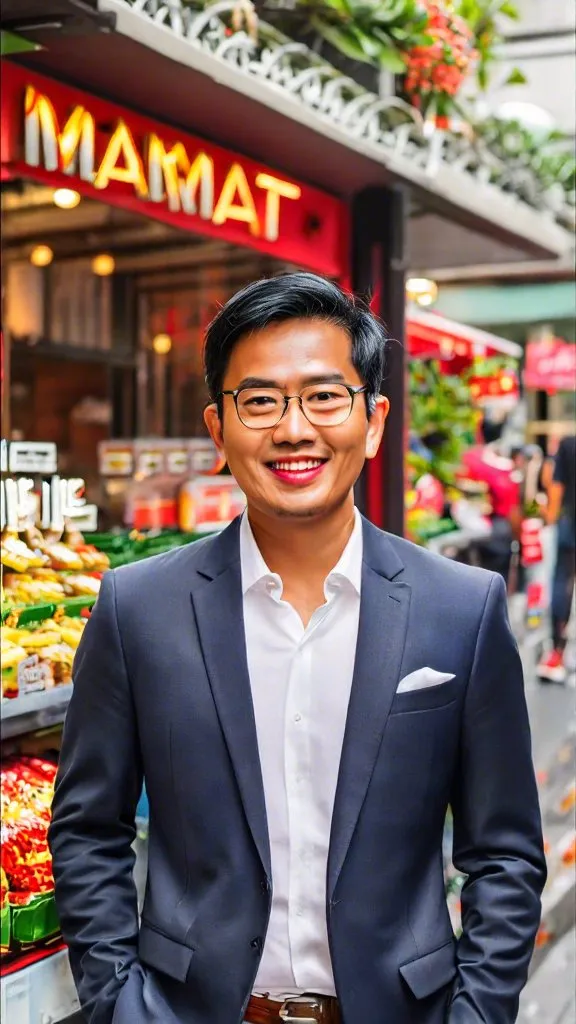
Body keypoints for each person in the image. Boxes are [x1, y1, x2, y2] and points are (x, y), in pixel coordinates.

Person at [49, 273, 546, 1024]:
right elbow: (90, 828)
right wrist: (119, 1003)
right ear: (219, 430)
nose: (292, 429)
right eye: (260, 401)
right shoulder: (138, 609)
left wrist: (476, 1015)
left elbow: (504, 854)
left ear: (373, 422)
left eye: (323, 396)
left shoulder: (461, 609)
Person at [538, 432, 576, 683]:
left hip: (569, 524)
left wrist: (550, 517)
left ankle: (557, 651)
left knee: (562, 582)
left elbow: (556, 485)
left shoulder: (568, 444)